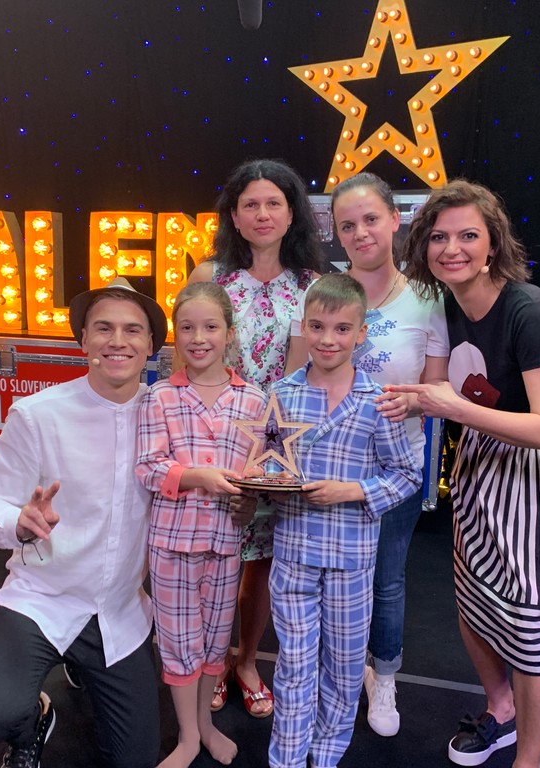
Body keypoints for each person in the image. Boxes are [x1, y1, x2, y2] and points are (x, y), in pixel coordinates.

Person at [391, 180, 540, 768]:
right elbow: (447, 390)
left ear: (493, 245)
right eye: (438, 237)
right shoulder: (445, 307)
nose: (452, 248)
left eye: (468, 235)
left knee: (534, 627)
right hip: (486, 460)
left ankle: (528, 760)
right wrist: (416, 401)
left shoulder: (529, 311)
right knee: (475, 599)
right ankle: (501, 709)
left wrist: (451, 408)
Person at [0, 276, 168, 768]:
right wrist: (18, 522)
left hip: (119, 612)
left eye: (133, 330)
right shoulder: (38, 415)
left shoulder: (166, 416)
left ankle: (83, 667)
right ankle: (32, 720)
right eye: (104, 328)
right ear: (83, 341)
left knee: (136, 760)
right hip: (42, 600)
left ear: (151, 345)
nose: (118, 341)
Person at [266, 273, 422, 768]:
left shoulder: (380, 403)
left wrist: (352, 490)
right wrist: (262, 483)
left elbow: (407, 475)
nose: (328, 339)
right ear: (304, 327)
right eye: (317, 326)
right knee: (294, 665)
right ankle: (287, 757)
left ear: (361, 333)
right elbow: (265, 465)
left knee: (345, 665)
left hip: (352, 560)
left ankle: (327, 752)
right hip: (293, 555)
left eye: (341, 329)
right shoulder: (282, 395)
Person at [188, 158, 323, 717]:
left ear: (292, 215)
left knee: (261, 561)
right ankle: (211, 661)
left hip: (275, 443)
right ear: (234, 216)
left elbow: (299, 377)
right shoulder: (209, 276)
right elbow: (190, 356)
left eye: (274, 203)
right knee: (214, 555)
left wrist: (268, 447)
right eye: (250, 204)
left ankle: (246, 661)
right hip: (212, 436)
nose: (262, 214)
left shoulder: (311, 286)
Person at [319, 172, 449, 737]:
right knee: (328, 577)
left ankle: (385, 675)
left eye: (371, 219)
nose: (360, 233)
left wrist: (409, 401)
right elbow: (302, 380)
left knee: (386, 581)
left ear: (396, 219)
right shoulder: (324, 292)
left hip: (397, 468)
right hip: (330, 467)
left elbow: (439, 389)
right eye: (347, 225)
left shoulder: (428, 297)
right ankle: (337, 674)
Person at [134, 282, 267, 768]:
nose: (198, 337)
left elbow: (257, 473)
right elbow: (149, 467)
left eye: (210, 326)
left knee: (214, 639)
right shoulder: (159, 397)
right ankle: (188, 736)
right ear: (174, 334)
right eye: (187, 327)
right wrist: (198, 477)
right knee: (178, 642)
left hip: (225, 543)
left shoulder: (254, 400)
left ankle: (207, 727)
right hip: (171, 543)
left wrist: (251, 501)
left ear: (229, 333)